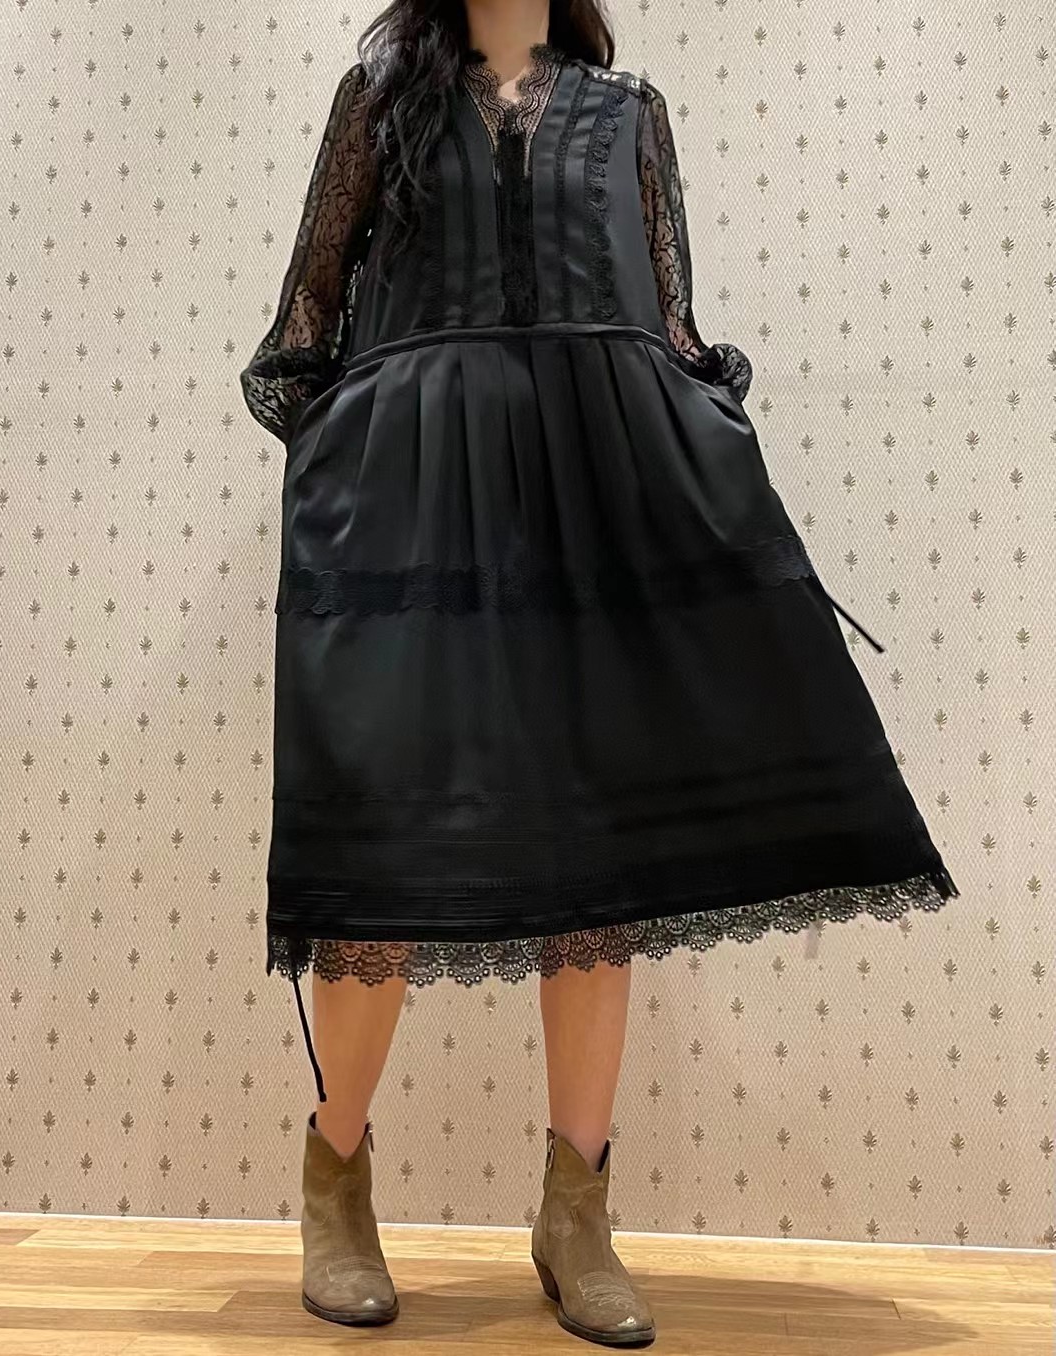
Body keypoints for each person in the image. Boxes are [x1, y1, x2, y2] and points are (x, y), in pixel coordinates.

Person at [238, 0, 960, 1346]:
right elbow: (304, 330)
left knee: (599, 865)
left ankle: (577, 1216)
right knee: (382, 847)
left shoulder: (630, 117)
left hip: (601, 509)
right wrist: (356, 463)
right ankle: (335, 1186)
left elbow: (674, 332)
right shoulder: (379, 103)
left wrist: (707, 452)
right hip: (413, 514)